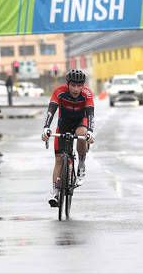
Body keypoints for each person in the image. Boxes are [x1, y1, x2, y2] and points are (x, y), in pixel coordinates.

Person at [41, 69, 95, 207]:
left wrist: (90, 131)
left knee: (82, 133)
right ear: (68, 84)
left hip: (80, 122)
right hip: (63, 124)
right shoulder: (59, 91)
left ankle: (81, 165)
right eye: (73, 85)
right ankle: (55, 194)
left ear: (83, 85)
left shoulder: (87, 94)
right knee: (59, 160)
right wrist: (46, 127)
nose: (76, 89)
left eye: (79, 86)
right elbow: (51, 110)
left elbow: (90, 114)